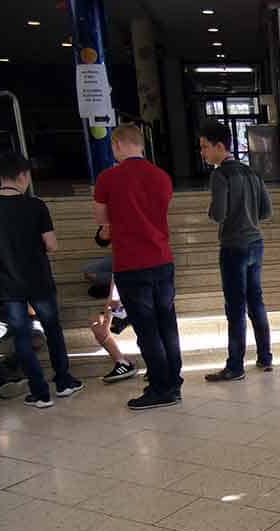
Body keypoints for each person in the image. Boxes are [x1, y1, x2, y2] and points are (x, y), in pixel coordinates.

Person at [93, 124, 181, 410]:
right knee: (167, 324)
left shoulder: (108, 178)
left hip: (132, 264)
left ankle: (159, 387)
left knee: (147, 328)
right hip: (162, 259)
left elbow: (103, 226)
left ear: (118, 144)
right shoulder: (162, 177)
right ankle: (173, 381)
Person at [0, 151, 83, 408]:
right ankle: (64, 382)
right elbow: (51, 245)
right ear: (22, 175)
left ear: (0, 177)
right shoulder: (35, 205)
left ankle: (40, 393)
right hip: (39, 280)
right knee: (52, 329)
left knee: (21, 336)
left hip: (9, 284)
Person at [198, 120, 274, 381]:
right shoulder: (252, 173)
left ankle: (235, 366)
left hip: (233, 247)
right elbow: (266, 211)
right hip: (256, 244)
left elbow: (218, 213)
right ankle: (265, 358)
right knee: (257, 302)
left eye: (205, 147)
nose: (203, 152)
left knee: (235, 307)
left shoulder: (220, 174)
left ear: (220, 146)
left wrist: (213, 210)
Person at [90, 279, 137, 383]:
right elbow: (114, 294)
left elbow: (114, 298)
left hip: (138, 302)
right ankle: (122, 363)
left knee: (99, 326)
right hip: (125, 304)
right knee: (96, 323)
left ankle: (125, 364)